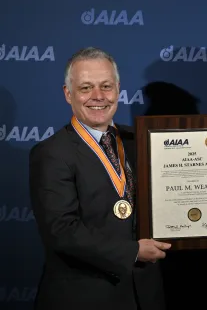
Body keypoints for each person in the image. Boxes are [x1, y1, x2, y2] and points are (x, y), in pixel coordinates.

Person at [29, 47, 172, 310]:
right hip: (82, 298)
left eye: (106, 86)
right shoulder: (51, 153)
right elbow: (61, 232)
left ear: (118, 89)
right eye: (86, 88)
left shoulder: (140, 142)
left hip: (145, 296)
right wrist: (133, 252)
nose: (98, 97)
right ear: (67, 93)